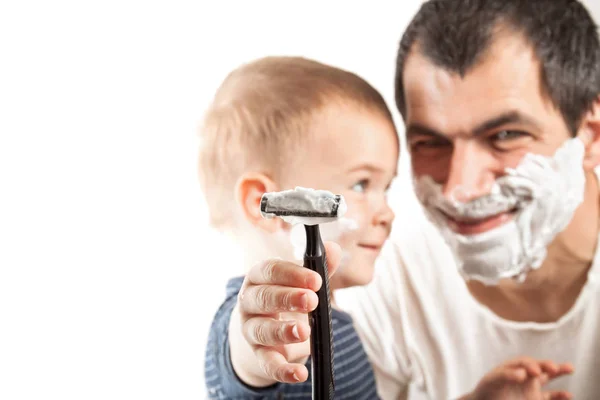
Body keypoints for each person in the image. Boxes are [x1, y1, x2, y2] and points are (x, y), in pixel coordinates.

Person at [213, 0, 600, 399]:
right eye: (430, 142)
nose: (458, 189)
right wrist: (247, 353)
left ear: (591, 134)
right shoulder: (374, 281)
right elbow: (246, 355)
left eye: (505, 136)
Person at [199, 56, 398, 398]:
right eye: (362, 184)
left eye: (387, 187)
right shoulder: (266, 320)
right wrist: (257, 337)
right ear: (266, 202)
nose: (388, 213)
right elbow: (250, 353)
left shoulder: (335, 322)